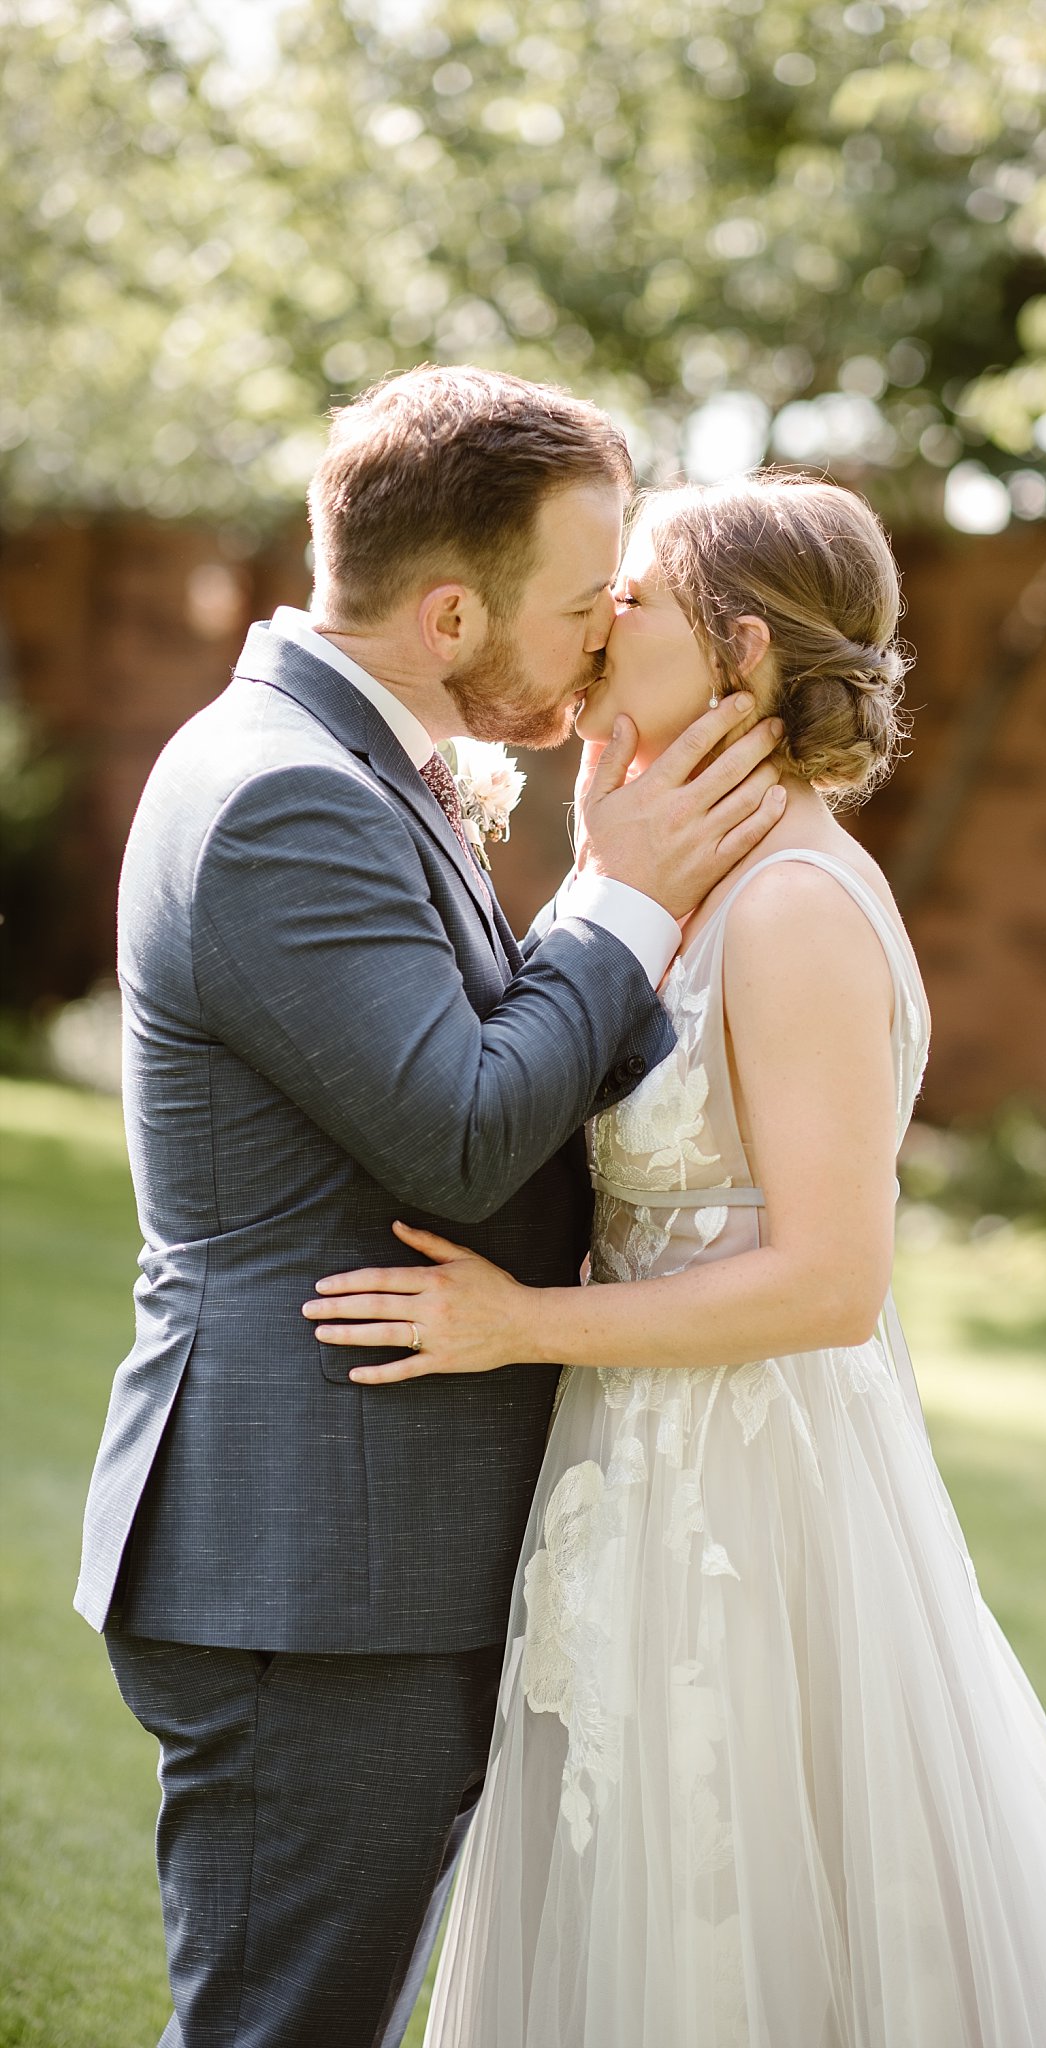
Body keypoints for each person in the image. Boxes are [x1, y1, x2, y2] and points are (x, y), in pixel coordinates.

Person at [309, 473, 1046, 2048]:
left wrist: (515, 1323)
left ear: (733, 654)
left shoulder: (794, 907)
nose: (601, 621)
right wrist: (602, 863)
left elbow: (829, 1283)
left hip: (751, 1491)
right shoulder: (688, 876)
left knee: (739, 1884)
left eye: (634, 595)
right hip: (634, 1465)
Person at [74, 365, 788, 2048]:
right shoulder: (279, 797)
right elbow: (463, 1131)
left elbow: (481, 1061)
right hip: (311, 1555)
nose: (605, 635)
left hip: (362, 1538)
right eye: (578, 603)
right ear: (451, 608)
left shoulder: (358, 760)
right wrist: (622, 897)